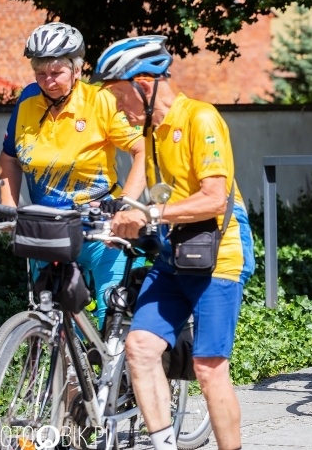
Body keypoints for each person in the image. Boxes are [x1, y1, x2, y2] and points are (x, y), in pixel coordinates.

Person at [94, 35, 253, 450]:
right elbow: (143, 191)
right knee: (141, 348)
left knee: (208, 367)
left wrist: (147, 214)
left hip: (218, 255)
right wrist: (120, 220)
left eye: (118, 95)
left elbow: (214, 198)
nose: (117, 107)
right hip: (174, 254)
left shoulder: (200, 119)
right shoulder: (150, 133)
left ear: (144, 85)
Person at [0, 22, 147, 327]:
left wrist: (125, 206)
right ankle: (66, 373)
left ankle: (125, 372)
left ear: (77, 70)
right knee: (54, 319)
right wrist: (9, 210)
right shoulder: (27, 101)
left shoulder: (101, 101)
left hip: (101, 226)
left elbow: (144, 150)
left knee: (116, 312)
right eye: (40, 73)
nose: (47, 81)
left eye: (56, 73)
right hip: (47, 230)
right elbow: (9, 158)